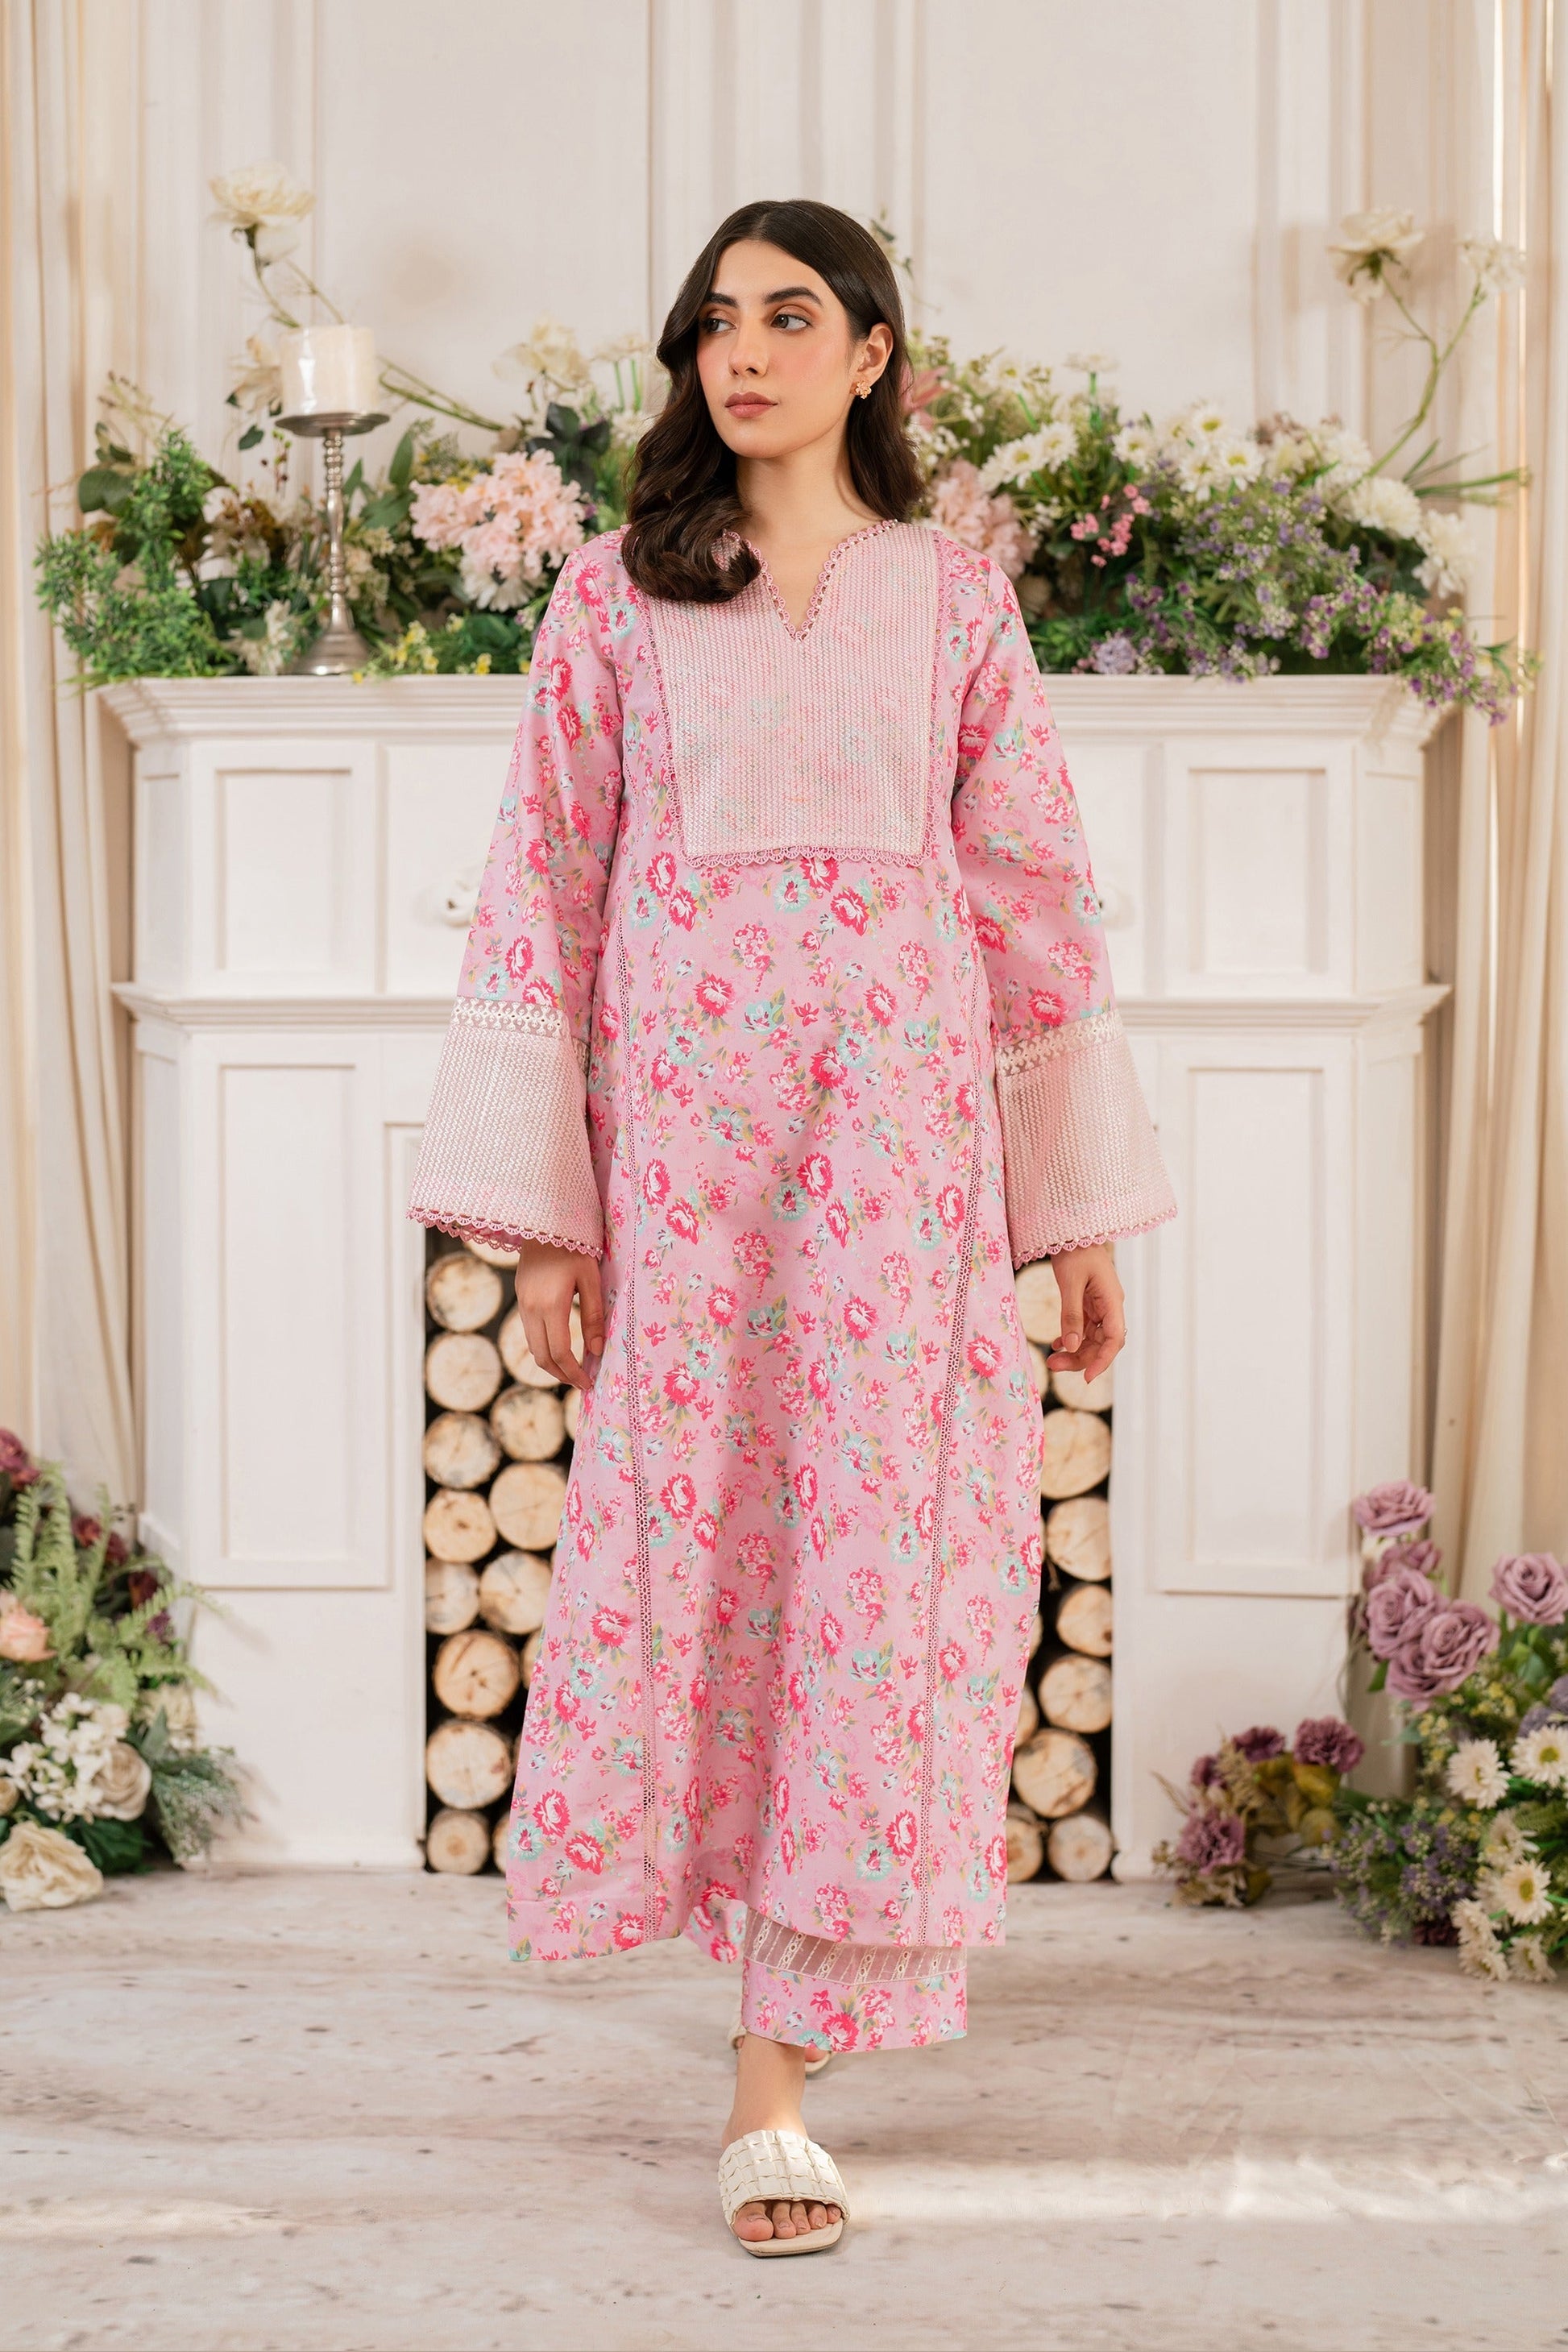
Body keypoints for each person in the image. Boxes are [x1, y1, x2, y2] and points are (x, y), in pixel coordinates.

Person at [409, 197, 1175, 2255]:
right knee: (709, 1551)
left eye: (788, 315)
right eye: (714, 322)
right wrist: (553, 1217)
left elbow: (1030, 895)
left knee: (873, 1566)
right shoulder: (613, 594)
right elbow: (543, 882)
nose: (740, 352)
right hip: (684, 1158)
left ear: (871, 356)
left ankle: (779, 2068)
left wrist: (1071, 1206)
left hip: (903, 1160)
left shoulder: (956, 599)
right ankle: (732, 1974)